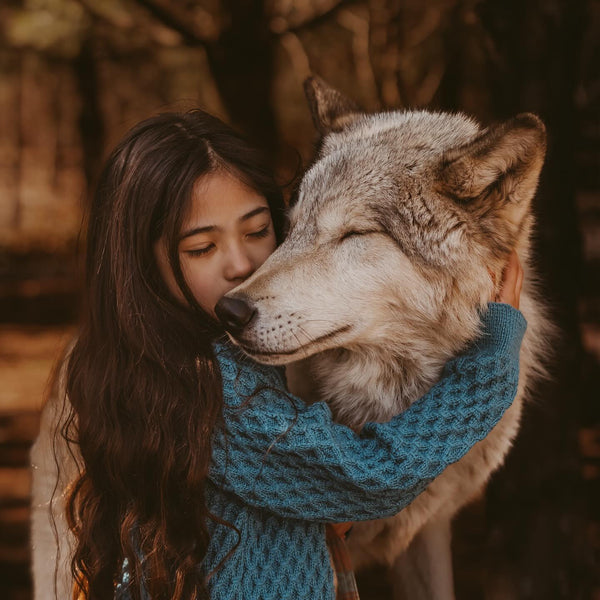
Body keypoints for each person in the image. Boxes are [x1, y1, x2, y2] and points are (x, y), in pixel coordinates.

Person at [45, 109, 525, 600]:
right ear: (142, 265)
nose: (244, 268)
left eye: (258, 232)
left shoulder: (180, 366)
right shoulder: (209, 391)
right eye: (202, 247)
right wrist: (486, 369)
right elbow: (372, 479)